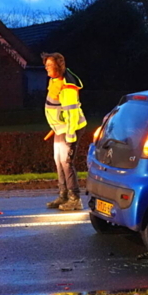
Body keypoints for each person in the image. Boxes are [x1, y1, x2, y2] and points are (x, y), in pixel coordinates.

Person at [42, 52, 87, 211]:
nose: (46, 68)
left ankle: (75, 199)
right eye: (46, 65)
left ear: (58, 66)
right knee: (58, 161)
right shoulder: (55, 80)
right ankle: (64, 195)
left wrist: (70, 134)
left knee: (66, 163)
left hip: (69, 129)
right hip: (60, 128)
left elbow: (71, 112)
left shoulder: (67, 85)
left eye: (49, 65)